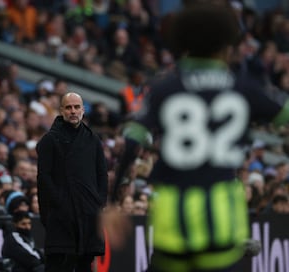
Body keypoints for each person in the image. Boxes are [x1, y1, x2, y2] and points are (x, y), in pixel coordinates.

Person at [112, 3, 289, 272]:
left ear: (182, 43)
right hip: (221, 218)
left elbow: (134, 139)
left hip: (172, 219)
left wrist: (114, 201)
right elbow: (283, 113)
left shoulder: (164, 89)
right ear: (227, 45)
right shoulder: (244, 89)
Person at [36, 92, 108, 272]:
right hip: (61, 217)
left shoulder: (93, 140)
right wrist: (60, 202)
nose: (73, 111)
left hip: (88, 214)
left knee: (85, 264)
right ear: (61, 111)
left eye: (77, 107)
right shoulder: (50, 140)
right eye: (68, 107)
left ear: (83, 110)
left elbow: (102, 174)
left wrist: (98, 202)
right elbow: (44, 178)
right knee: (58, 264)